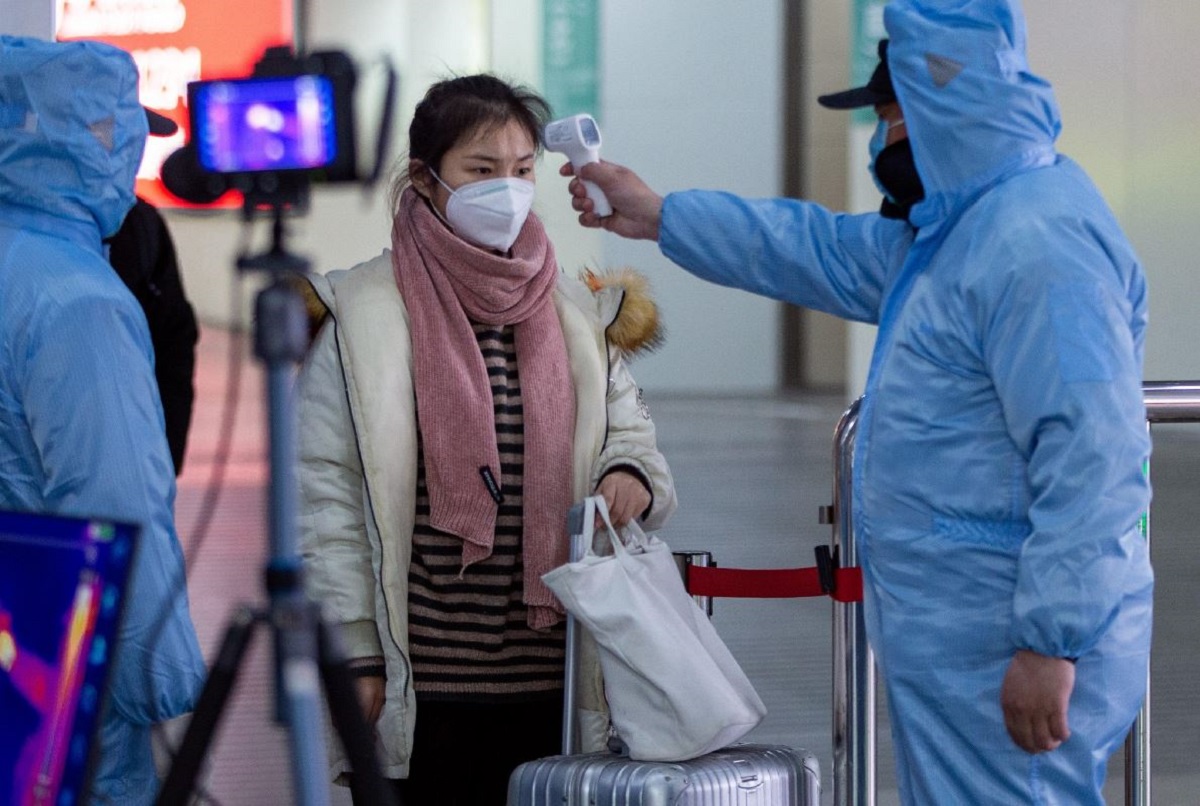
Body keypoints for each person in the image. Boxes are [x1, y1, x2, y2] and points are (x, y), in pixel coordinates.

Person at [560, 1, 1152, 803]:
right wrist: (663, 215)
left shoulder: (1037, 244)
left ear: (933, 106)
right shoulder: (960, 234)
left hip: (1010, 635)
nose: (878, 141)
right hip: (970, 634)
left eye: (885, 117)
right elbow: (815, 250)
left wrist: (1053, 642)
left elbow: (1095, 456)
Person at [296, 73, 677, 804]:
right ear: (425, 177)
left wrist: (630, 472)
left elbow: (629, 432)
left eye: (522, 169)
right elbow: (326, 497)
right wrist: (355, 650)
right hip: (425, 684)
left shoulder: (577, 313)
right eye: (480, 169)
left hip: (555, 678)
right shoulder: (363, 316)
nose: (507, 190)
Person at [0, 36, 206, 804]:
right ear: (79, 137)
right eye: (117, 131)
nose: (128, 156)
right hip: (53, 658)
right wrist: (162, 674)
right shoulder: (77, 301)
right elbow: (116, 499)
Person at [108, 195, 200, 476]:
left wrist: (166, 456)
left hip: (132, 457)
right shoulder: (139, 221)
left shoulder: (139, 223)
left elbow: (174, 340)